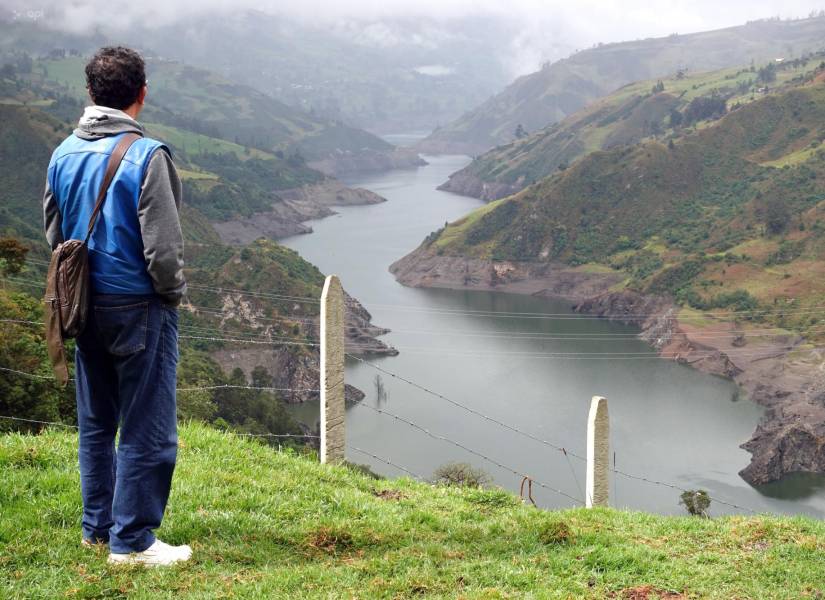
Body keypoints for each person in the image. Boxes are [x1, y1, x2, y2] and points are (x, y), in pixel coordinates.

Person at [43, 46, 190, 566]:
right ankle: (133, 543)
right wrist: (170, 297)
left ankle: (97, 529)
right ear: (141, 95)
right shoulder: (149, 156)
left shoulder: (61, 153)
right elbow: (164, 251)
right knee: (147, 424)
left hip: (82, 307)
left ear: (89, 94)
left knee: (97, 421)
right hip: (139, 308)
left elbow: (55, 235)